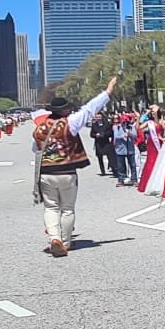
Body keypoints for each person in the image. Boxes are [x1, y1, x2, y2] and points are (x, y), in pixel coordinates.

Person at [31, 77, 116, 256]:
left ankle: (54, 238)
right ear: (64, 110)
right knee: (67, 208)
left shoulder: (40, 128)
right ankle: (66, 242)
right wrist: (107, 92)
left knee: (51, 207)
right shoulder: (69, 122)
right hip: (67, 171)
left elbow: (35, 149)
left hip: (45, 173)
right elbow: (89, 109)